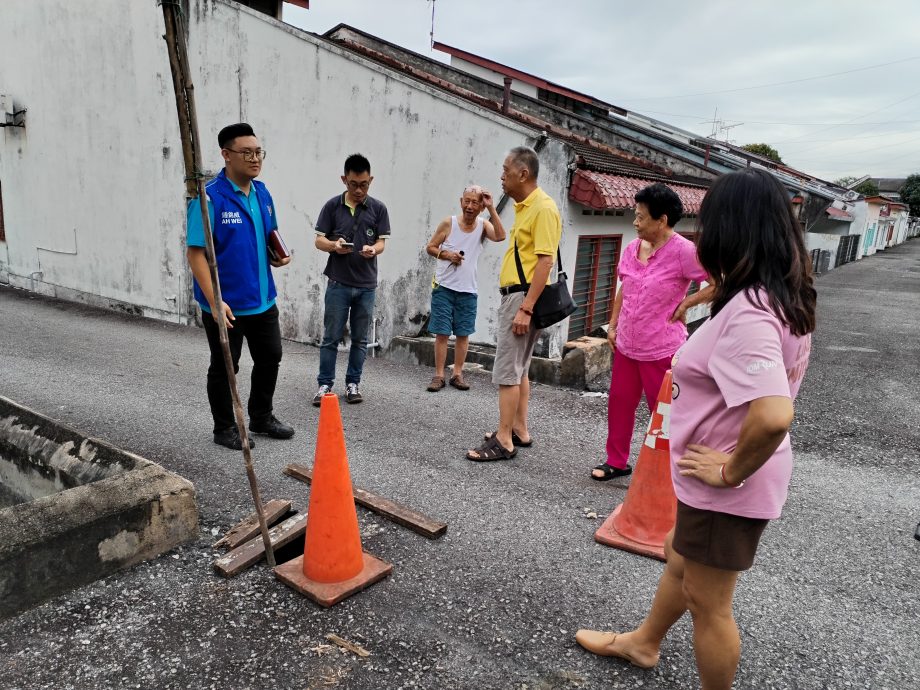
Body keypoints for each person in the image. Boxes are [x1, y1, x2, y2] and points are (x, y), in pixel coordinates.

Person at [576, 167, 817, 690]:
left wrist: (730, 472)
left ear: (734, 229)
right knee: (678, 558)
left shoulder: (751, 312)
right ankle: (643, 642)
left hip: (725, 487)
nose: (703, 237)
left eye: (711, 224)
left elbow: (775, 414)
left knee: (709, 605)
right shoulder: (776, 294)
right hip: (712, 479)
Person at [592, 183, 714, 481]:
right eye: (635, 216)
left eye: (641, 217)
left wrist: (688, 302)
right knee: (620, 403)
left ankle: (669, 471)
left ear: (661, 220)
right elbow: (625, 287)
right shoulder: (633, 248)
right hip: (627, 346)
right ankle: (617, 461)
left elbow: (719, 281)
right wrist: (614, 324)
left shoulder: (685, 252)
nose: (635, 223)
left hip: (661, 349)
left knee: (664, 413)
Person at [186, 122, 295, 450]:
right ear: (226, 155)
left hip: (262, 299)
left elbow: (267, 234)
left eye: (258, 152)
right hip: (225, 305)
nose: (254, 159)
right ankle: (224, 428)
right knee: (225, 367)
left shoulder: (262, 193)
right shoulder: (209, 199)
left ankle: (261, 416)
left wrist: (276, 256)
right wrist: (215, 300)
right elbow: (195, 254)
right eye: (246, 153)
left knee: (270, 357)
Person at [466, 146, 561, 461]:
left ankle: (503, 439)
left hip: (523, 298)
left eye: (506, 170)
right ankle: (519, 429)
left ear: (523, 173)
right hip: (520, 296)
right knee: (520, 369)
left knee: (508, 370)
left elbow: (545, 262)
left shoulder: (543, 208)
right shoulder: (525, 207)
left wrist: (525, 307)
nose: (501, 176)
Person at [313, 154, 390, 406]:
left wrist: (374, 250)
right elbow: (319, 240)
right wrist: (334, 246)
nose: (359, 190)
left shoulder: (378, 209)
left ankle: (353, 384)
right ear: (344, 179)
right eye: (354, 184)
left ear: (371, 181)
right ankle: (325, 385)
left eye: (364, 184)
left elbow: (381, 242)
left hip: (366, 285)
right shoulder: (331, 206)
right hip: (338, 282)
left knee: (360, 339)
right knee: (331, 336)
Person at [424, 185, 506, 392]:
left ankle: (458, 374)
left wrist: (492, 209)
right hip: (444, 286)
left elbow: (500, 235)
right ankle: (439, 375)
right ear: (461, 202)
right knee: (441, 333)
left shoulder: (482, 225)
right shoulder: (448, 223)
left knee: (463, 333)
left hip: (468, 289)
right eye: (467, 201)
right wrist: (447, 255)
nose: (470, 206)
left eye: (475, 202)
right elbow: (430, 247)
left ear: (480, 206)